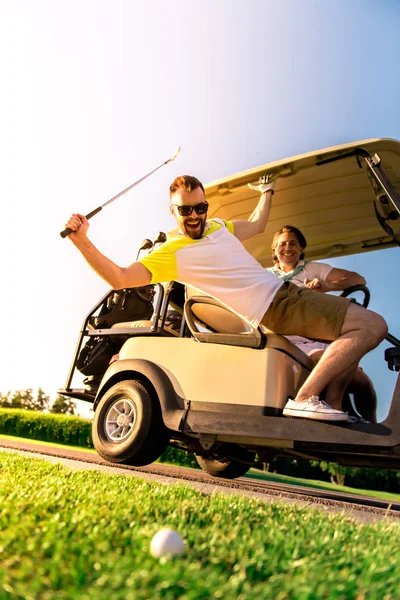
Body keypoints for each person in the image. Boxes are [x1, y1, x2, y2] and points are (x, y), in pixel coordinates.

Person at [64, 175, 388, 422]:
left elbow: (259, 225)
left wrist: (267, 191)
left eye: (200, 207)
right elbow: (119, 278)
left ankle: (329, 407)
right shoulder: (172, 252)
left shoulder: (218, 225)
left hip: (284, 295)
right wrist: (82, 242)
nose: (194, 216)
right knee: (372, 325)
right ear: (172, 211)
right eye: (185, 210)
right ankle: (305, 398)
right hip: (275, 303)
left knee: (355, 343)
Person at [267, 225, 377, 423]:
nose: (288, 247)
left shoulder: (312, 269)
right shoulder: (265, 276)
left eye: (293, 243)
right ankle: (332, 407)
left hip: (320, 334)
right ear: (274, 250)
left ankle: (372, 425)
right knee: (334, 361)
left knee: (363, 383)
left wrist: (326, 287)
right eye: (282, 244)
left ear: (301, 248)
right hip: (291, 339)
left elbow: (357, 279)